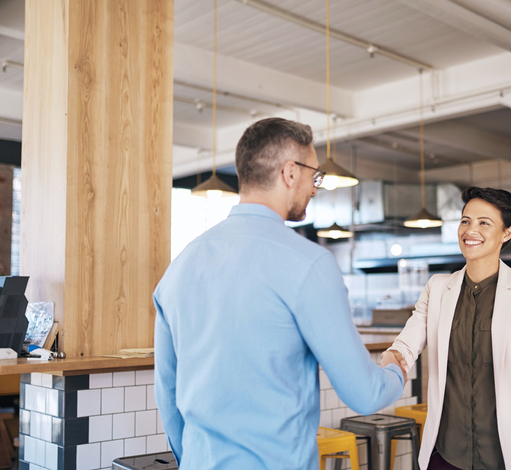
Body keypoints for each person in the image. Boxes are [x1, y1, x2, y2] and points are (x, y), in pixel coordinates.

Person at [154, 117, 406, 470]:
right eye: (314, 176)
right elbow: (364, 393)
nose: (316, 188)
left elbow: (167, 393)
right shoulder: (310, 263)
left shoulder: (179, 267)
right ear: (290, 173)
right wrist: (395, 370)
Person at [382, 187, 511, 470]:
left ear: (507, 233)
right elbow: (406, 343)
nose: (470, 230)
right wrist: (394, 359)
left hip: (508, 456)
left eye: (483, 222)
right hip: (446, 455)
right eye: (465, 220)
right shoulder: (438, 288)